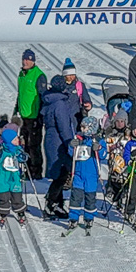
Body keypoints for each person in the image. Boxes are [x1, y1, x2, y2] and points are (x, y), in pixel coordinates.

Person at [40, 72, 80, 216]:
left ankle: (58, 204)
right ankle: (51, 202)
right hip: (59, 141)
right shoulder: (60, 104)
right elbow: (64, 126)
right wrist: (70, 142)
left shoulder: (49, 101)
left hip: (51, 139)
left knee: (59, 173)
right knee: (62, 174)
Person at [68, 115, 107, 231]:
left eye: (84, 127)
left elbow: (104, 156)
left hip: (91, 175)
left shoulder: (99, 141)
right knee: (76, 197)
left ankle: (89, 218)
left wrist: (99, 149)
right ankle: (73, 218)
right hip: (78, 174)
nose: (82, 129)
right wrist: (71, 146)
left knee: (90, 198)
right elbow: (72, 154)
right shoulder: (79, 139)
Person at [16, 49, 48, 179]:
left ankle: (36, 172)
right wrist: (16, 110)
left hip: (34, 116)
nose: (25, 61)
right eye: (24, 59)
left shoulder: (38, 75)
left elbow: (43, 96)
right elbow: (20, 94)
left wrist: (40, 116)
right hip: (24, 116)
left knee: (34, 145)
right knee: (24, 145)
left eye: (28, 59)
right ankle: (27, 170)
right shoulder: (22, 74)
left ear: (33, 61)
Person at [0, 126, 30, 225]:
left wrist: (23, 157)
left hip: (14, 176)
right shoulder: (1, 149)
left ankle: (20, 211)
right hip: (3, 176)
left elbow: (23, 157)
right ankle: (3, 212)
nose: (18, 141)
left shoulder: (17, 150)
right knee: (3, 194)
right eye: (15, 139)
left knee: (16, 193)